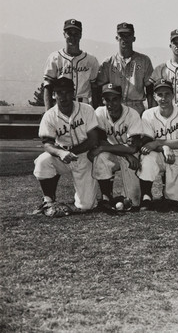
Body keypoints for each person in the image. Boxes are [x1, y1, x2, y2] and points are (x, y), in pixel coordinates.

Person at [33, 78, 99, 216]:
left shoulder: (86, 109)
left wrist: (70, 152)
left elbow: (93, 139)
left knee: (87, 206)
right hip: (61, 156)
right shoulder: (49, 115)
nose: (63, 97)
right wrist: (60, 153)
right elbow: (47, 144)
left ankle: (83, 200)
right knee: (42, 161)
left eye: (67, 92)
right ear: (53, 95)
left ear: (73, 93)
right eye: (59, 93)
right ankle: (48, 200)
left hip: (84, 156)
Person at [88, 83, 143, 211]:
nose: (110, 104)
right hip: (117, 154)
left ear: (121, 99)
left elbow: (133, 148)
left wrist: (128, 154)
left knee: (134, 202)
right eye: (107, 99)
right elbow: (100, 142)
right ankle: (106, 198)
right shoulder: (100, 113)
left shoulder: (132, 114)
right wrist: (125, 154)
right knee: (101, 156)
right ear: (103, 100)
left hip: (132, 157)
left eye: (114, 99)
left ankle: (125, 198)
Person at [137, 79, 178, 208]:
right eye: (160, 94)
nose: (163, 98)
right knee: (147, 157)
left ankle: (168, 191)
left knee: (176, 201)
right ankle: (146, 196)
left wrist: (159, 143)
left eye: (167, 94)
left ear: (173, 95)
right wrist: (164, 147)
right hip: (158, 154)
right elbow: (147, 143)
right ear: (154, 96)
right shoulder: (148, 114)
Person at [96, 23, 154, 115]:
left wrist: (151, 112)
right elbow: (99, 89)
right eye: (122, 35)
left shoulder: (144, 60)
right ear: (117, 38)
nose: (125, 39)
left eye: (128, 35)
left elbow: (150, 89)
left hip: (136, 107)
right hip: (114, 107)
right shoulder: (108, 62)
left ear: (133, 38)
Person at [43, 19, 99, 110]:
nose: (73, 37)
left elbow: (95, 89)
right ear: (64, 34)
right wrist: (48, 111)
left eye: (76, 33)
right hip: (61, 105)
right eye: (69, 33)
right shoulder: (55, 58)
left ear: (80, 35)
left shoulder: (91, 60)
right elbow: (48, 87)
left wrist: (95, 111)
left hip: (83, 107)